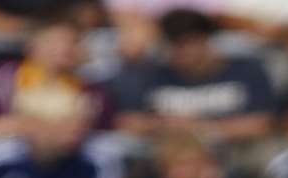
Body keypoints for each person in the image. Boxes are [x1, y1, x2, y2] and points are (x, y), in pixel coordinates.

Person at [113, 7, 277, 146]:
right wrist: (166, 126)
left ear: (206, 40)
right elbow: (128, 122)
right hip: (168, 154)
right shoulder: (151, 73)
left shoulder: (246, 69)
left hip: (234, 150)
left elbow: (263, 123)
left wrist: (202, 128)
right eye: (173, 44)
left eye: (188, 43)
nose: (182, 52)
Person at [0, 16, 113, 136]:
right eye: (54, 42)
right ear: (31, 45)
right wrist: (16, 127)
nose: (64, 49)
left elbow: (107, 130)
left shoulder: (91, 89)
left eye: (73, 42)